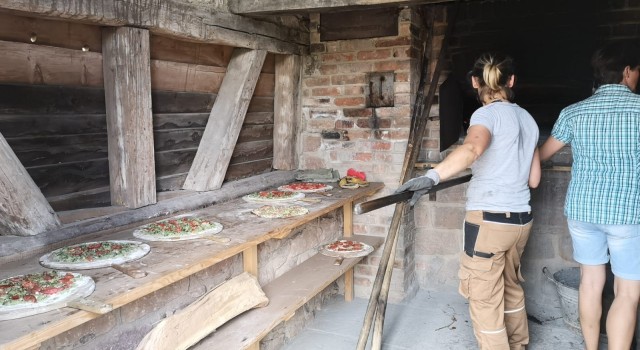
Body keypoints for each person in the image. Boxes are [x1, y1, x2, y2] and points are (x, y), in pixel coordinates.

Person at [396, 53, 540, 350]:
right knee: (510, 287)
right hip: (521, 220)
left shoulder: (484, 116)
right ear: (512, 81)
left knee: (484, 298)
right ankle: (519, 344)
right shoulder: (528, 119)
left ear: (475, 82)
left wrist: (432, 177)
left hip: (489, 221)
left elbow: (473, 147)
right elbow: (534, 179)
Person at [538, 40, 640, 350]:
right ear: (626, 72)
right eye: (637, 71)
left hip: (583, 211)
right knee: (627, 293)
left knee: (590, 284)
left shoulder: (574, 112)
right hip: (628, 214)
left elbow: (542, 155)